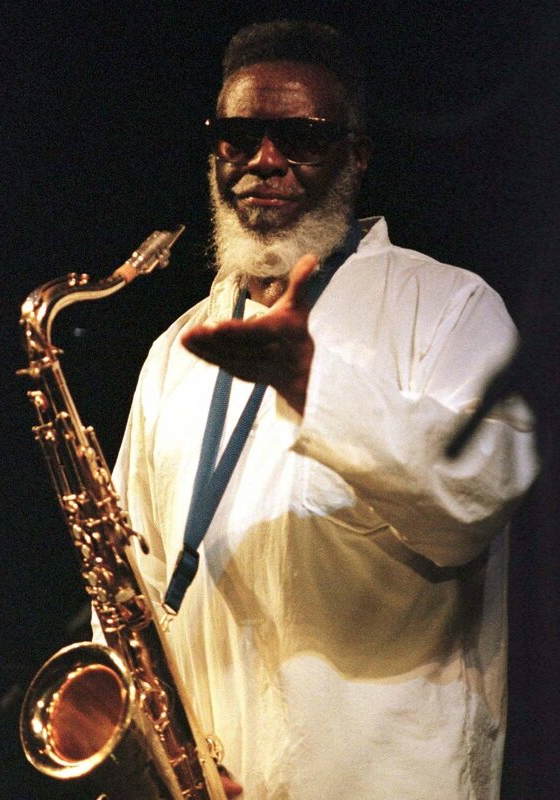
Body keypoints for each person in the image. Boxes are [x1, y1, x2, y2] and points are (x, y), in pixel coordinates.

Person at [99, 20, 538, 800]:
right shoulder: (175, 350)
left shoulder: (448, 307)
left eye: (301, 136)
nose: (265, 161)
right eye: (241, 135)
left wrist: (312, 384)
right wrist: (150, 749)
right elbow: (132, 579)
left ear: (356, 155)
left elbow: (480, 494)